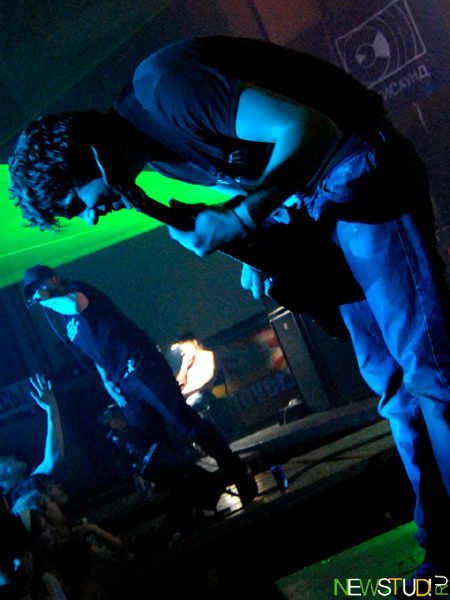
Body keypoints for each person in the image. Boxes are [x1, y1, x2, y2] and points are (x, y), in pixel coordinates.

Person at [7, 35, 450, 590]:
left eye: (78, 203)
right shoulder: (159, 156)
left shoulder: (165, 88)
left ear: (87, 155)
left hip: (358, 171)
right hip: (324, 204)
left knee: (432, 376)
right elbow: (269, 174)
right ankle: (441, 552)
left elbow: (309, 129)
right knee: (397, 391)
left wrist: (244, 217)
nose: (91, 217)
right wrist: (262, 242)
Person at [21, 265, 257, 505]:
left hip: (141, 364)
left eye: (40, 285)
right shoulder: (64, 319)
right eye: (33, 291)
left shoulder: (77, 289)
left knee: (183, 419)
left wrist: (44, 300)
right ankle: (195, 495)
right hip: (122, 382)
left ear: (53, 278)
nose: (38, 292)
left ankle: (236, 470)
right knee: (151, 446)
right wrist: (107, 381)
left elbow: (75, 305)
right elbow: (95, 350)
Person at [0, 374, 66, 510]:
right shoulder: (13, 500)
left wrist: (51, 409)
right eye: (4, 458)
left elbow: (53, 458)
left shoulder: (27, 486)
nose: (12, 455)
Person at [175, 332, 217, 415]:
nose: (184, 353)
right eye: (182, 351)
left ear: (194, 342)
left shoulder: (207, 355)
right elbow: (178, 385)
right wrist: (183, 368)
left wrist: (186, 392)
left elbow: (207, 379)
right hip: (189, 399)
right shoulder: (188, 363)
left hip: (201, 396)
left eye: (186, 349)